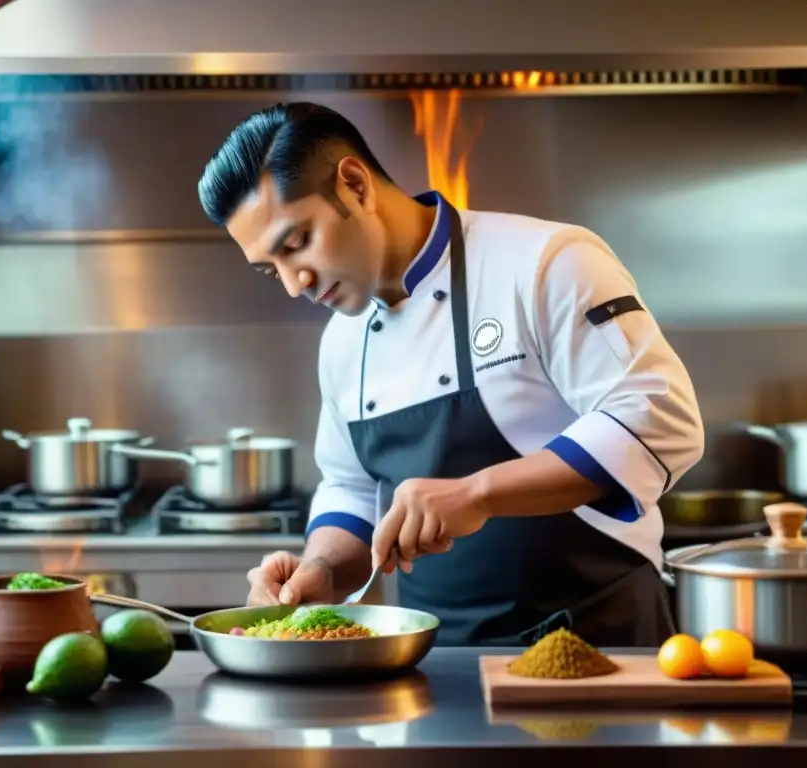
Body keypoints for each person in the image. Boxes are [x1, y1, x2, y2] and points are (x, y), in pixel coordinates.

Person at [197, 102, 704, 648]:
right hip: (436, 660)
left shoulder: (545, 262)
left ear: (354, 185)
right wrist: (322, 568)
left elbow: (658, 417)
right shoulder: (343, 340)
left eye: (296, 244)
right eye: (272, 270)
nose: (295, 284)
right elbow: (351, 488)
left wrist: (478, 493)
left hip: (598, 635)